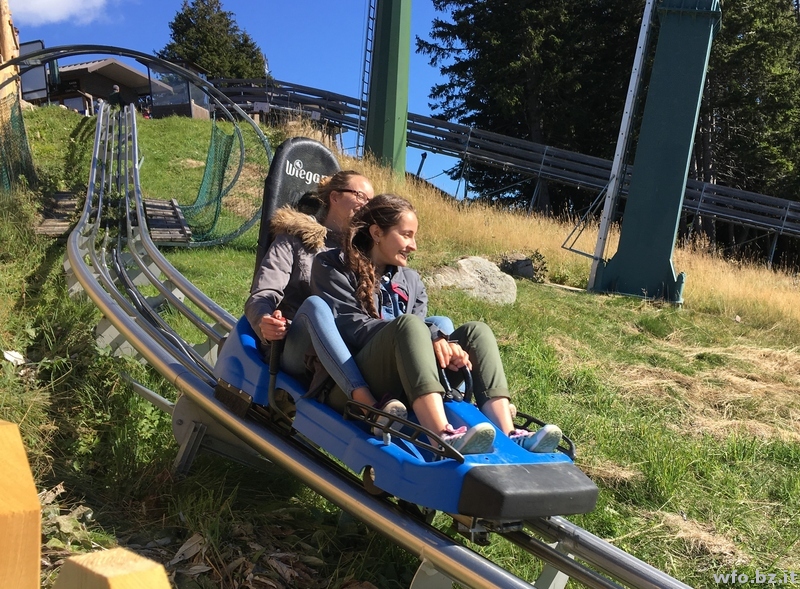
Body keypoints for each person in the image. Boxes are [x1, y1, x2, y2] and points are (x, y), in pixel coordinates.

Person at [311, 194, 563, 456]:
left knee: (476, 332)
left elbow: (416, 337)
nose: (414, 246)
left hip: (404, 380)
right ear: (377, 233)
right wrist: (430, 335)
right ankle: (442, 437)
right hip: (352, 384)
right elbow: (352, 328)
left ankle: (510, 434)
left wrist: (449, 351)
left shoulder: (411, 280)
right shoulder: (333, 265)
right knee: (410, 325)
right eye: (406, 235)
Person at [245, 170, 388, 411]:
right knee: (315, 306)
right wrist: (264, 321)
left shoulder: (364, 254)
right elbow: (263, 293)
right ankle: (363, 399)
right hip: (298, 346)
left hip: (351, 344)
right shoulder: (294, 240)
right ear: (335, 197)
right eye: (360, 196)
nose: (366, 206)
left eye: (370, 201)